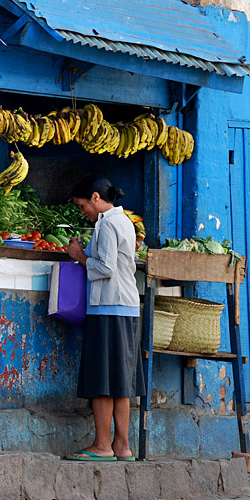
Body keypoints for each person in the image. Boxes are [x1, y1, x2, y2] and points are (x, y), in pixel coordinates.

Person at [64, 175, 145, 461]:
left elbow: (106, 267)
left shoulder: (109, 223)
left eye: (82, 204)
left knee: (101, 379)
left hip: (109, 306)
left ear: (96, 198)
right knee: (120, 380)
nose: (82, 210)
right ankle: (122, 446)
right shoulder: (121, 222)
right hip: (123, 306)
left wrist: (79, 256)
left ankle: (102, 445)